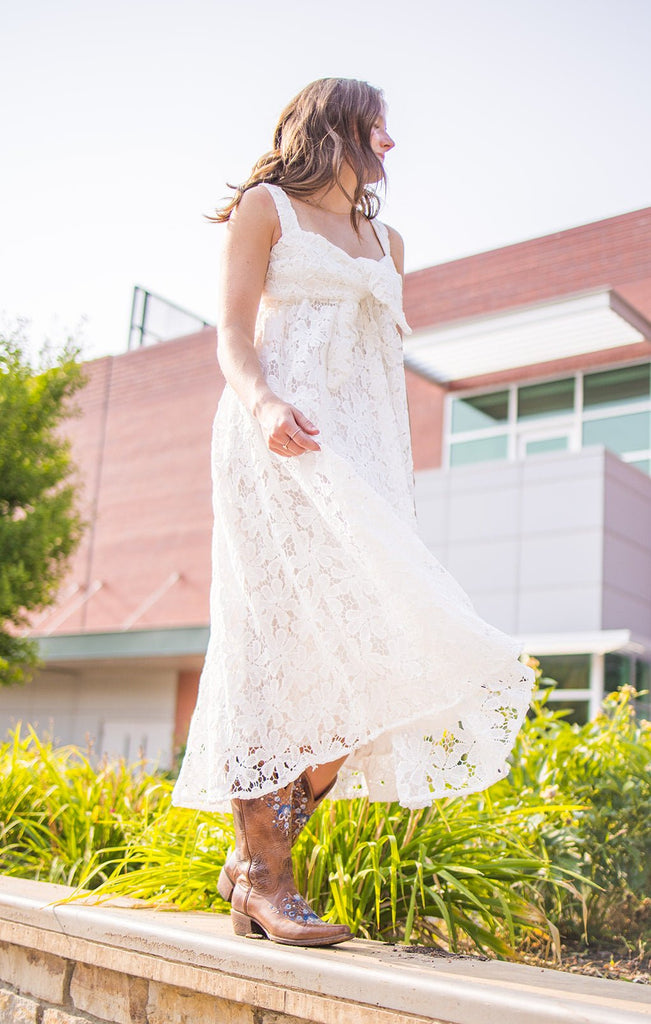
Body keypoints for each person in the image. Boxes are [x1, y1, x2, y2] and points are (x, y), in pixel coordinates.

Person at [172, 77, 534, 947]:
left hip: (362, 456)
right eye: (378, 125)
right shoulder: (267, 208)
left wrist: (386, 476)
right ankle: (266, 879)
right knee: (272, 645)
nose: (390, 143)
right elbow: (229, 332)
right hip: (276, 442)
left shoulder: (387, 240)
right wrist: (263, 407)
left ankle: (251, 864)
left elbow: (376, 366)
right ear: (333, 125)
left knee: (375, 652)